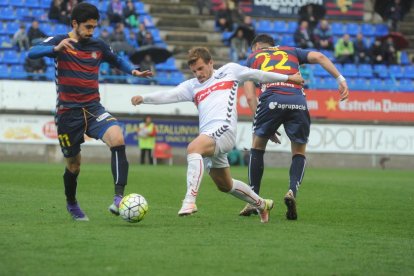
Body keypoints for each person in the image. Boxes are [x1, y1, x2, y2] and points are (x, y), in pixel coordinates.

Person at [131, 47, 304, 223]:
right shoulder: (192, 86)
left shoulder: (229, 71)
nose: (198, 74)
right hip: (209, 136)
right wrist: (144, 98)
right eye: (194, 71)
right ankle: (262, 204)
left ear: (210, 63)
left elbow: (258, 75)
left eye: (200, 68)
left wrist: (289, 78)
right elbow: (169, 94)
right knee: (225, 185)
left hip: (224, 129)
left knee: (193, 148)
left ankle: (189, 201)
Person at [28, 2, 153, 221]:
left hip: (94, 108)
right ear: (74, 24)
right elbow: (32, 51)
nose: (91, 31)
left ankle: (118, 198)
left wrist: (133, 71)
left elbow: (116, 59)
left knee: (117, 137)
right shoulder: (60, 41)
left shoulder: (98, 44)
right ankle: (72, 203)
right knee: (74, 165)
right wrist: (54, 50)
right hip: (68, 113)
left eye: (94, 27)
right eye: (87, 27)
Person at [240, 34, 349, 220]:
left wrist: (262, 122)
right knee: (299, 152)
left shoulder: (252, 58)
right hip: (297, 100)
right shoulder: (291, 50)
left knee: (257, 147)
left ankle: (253, 199)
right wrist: (340, 79)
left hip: (271, 101)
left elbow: (250, 97)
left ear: (257, 46)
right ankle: (292, 191)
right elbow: (320, 57)